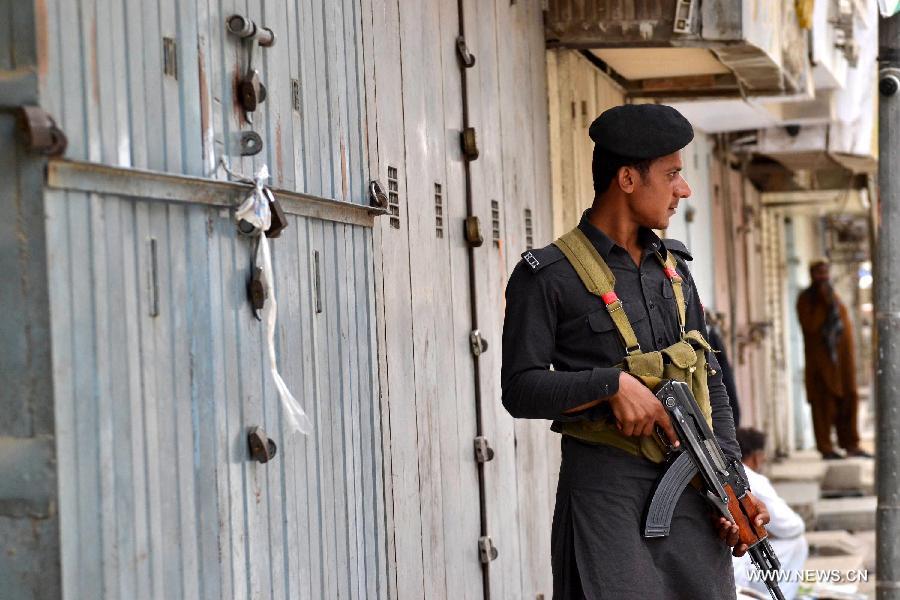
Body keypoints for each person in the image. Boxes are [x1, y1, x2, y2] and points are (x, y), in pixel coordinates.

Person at [501, 104, 769, 600]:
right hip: (608, 501)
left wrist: (732, 486)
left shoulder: (675, 271)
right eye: (671, 175)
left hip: (691, 494)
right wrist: (610, 385)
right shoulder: (548, 276)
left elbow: (710, 382)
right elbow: (519, 389)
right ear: (627, 178)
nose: (682, 190)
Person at [796, 260, 871, 459]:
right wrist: (823, 303)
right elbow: (810, 327)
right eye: (818, 273)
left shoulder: (833, 297)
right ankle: (826, 448)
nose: (823, 277)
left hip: (843, 366)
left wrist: (828, 301)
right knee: (823, 406)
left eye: (825, 272)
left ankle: (851, 444)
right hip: (821, 366)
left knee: (849, 401)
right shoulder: (807, 299)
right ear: (812, 275)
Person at [732, 428, 808, 600]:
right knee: (798, 542)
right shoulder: (750, 479)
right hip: (735, 573)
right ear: (757, 456)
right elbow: (793, 527)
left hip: (726, 569)